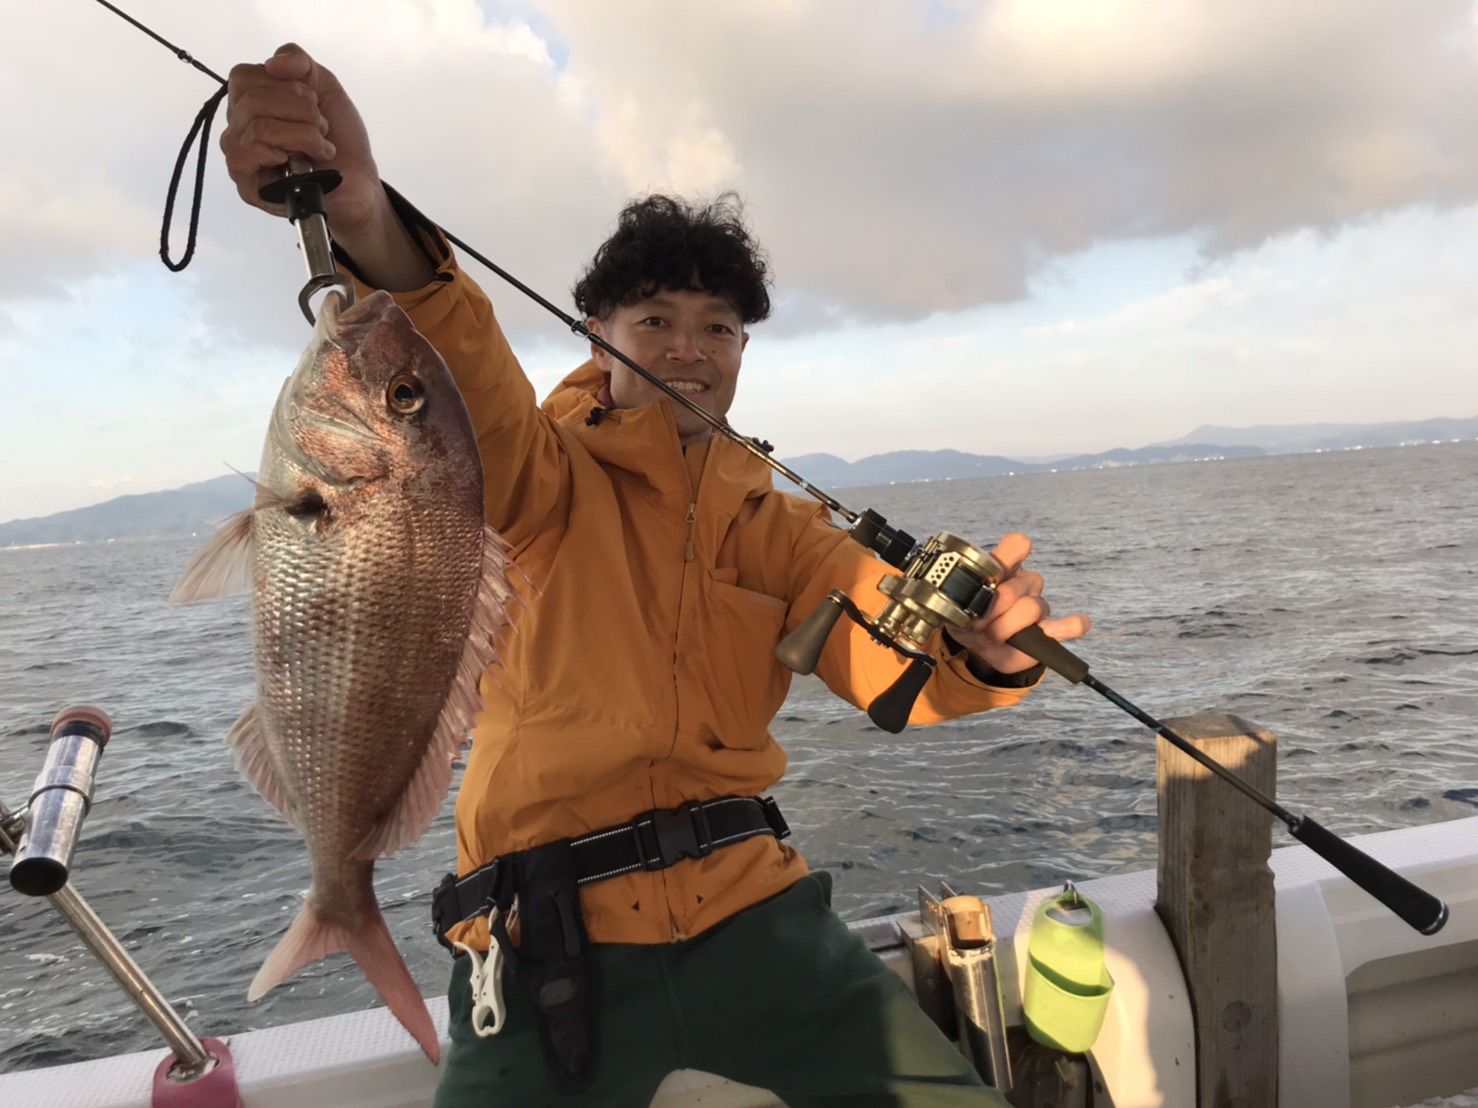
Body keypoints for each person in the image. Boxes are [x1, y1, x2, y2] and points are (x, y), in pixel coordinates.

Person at [221, 43, 1091, 1108]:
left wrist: (973, 649)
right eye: (655, 322)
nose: (690, 348)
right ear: (596, 333)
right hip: (540, 931)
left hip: (756, 912)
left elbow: (877, 641)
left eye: (717, 326)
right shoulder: (538, 474)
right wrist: (362, 219)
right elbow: (465, 368)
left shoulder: (778, 527)